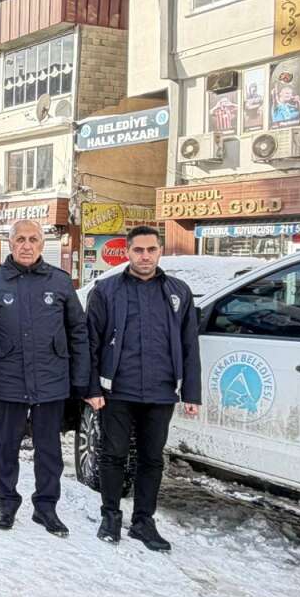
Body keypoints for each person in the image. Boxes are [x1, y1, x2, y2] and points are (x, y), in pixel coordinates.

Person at [85, 225, 201, 552]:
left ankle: (143, 521)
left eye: (151, 250)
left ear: (160, 251)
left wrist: (191, 393)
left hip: (162, 391)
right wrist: (91, 387)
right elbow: (90, 343)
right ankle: (110, 515)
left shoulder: (178, 292)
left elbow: (189, 344)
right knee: (113, 454)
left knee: (152, 459)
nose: (145, 256)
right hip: (117, 390)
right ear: (127, 252)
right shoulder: (106, 290)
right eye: (139, 250)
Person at [0, 220, 88, 536]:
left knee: (49, 450)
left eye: (33, 239)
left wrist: (80, 381)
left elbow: (78, 332)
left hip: (51, 382)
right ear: (10, 244)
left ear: (42, 244)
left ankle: (46, 508)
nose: (26, 245)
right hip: (7, 380)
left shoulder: (60, 283)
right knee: (5, 448)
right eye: (20, 239)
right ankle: (6, 504)